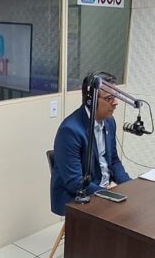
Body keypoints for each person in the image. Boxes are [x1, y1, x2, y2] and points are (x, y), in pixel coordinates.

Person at [50, 81, 131, 216]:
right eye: (110, 98)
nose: (116, 102)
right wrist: (108, 195)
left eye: (116, 96)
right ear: (91, 100)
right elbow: (75, 182)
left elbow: (114, 160)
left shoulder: (109, 121)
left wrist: (129, 187)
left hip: (104, 189)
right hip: (79, 197)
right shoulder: (70, 130)